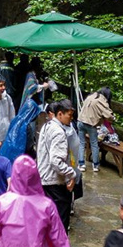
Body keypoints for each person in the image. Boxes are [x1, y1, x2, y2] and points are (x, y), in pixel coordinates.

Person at [36, 99, 76, 233]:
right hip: (54, 182)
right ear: (60, 114)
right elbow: (56, 162)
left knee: (47, 221)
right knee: (60, 223)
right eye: (69, 115)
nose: (71, 118)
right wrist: (71, 173)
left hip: (44, 178)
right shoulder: (58, 132)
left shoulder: (47, 126)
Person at [77, 87, 113, 173]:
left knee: (81, 143)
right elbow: (108, 115)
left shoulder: (90, 96)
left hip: (80, 121)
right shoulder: (101, 100)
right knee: (94, 144)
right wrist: (112, 118)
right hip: (90, 124)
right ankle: (96, 165)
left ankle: (81, 164)